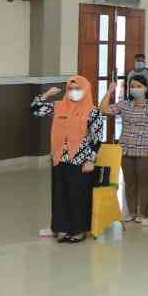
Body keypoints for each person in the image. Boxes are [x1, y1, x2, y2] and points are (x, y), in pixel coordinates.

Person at [32, 76, 102, 243]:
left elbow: (97, 138)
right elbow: (35, 109)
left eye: (77, 89)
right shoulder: (58, 107)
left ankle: (78, 230)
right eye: (70, 89)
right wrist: (47, 94)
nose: (73, 92)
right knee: (60, 195)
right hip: (58, 159)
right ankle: (61, 228)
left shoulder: (93, 111)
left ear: (86, 90)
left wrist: (90, 160)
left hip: (80, 160)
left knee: (78, 195)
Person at [100, 73, 148, 226]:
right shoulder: (124, 104)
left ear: (146, 88)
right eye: (132, 86)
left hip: (145, 148)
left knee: (144, 180)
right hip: (126, 147)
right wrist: (109, 91)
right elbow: (104, 109)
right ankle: (132, 212)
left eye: (139, 86)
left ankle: (143, 212)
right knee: (130, 181)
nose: (135, 89)